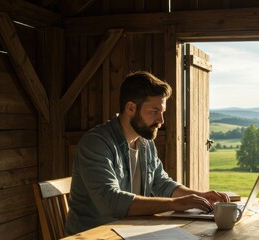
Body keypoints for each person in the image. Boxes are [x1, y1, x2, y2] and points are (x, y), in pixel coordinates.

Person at [65, 71, 229, 235]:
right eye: (154, 112)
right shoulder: (96, 143)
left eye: (162, 112)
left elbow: (161, 183)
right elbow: (109, 201)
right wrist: (174, 204)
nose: (161, 121)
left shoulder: (145, 142)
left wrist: (199, 196)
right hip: (95, 236)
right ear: (131, 108)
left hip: (131, 232)